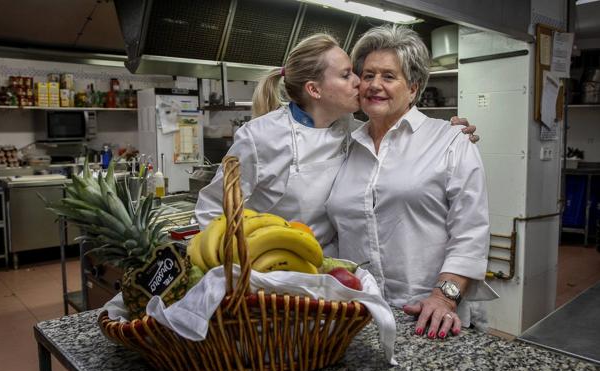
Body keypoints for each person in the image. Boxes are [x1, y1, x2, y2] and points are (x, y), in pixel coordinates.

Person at [195, 33, 477, 252]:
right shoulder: (260, 137)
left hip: (332, 275)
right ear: (315, 89)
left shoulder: (353, 132)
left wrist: (442, 135)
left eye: (356, 73)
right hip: (270, 273)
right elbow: (212, 211)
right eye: (347, 75)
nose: (360, 82)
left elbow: (398, 127)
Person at [325, 25, 497, 340]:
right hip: (358, 315)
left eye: (389, 76)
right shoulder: (344, 146)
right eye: (368, 75)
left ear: (413, 88)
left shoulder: (450, 141)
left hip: (429, 316)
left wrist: (444, 297)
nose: (375, 85)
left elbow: (470, 234)